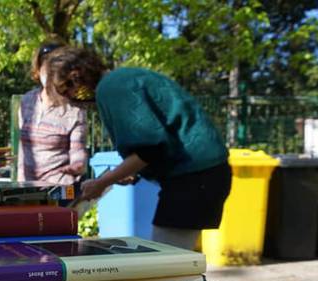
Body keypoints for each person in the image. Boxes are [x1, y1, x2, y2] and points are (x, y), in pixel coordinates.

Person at [44, 47, 232, 250]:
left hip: (195, 177)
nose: (70, 96)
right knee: (172, 260)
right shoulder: (122, 79)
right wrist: (131, 173)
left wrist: (102, 182)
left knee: (167, 264)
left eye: (66, 89)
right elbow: (156, 143)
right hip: (201, 175)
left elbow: (149, 149)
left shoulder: (112, 87)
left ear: (76, 76)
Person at [17, 41, 88, 185]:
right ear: (38, 69)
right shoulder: (26, 101)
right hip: (25, 190)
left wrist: (78, 165)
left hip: (57, 191)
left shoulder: (75, 111)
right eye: (46, 66)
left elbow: (78, 152)